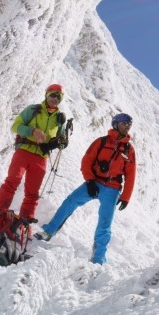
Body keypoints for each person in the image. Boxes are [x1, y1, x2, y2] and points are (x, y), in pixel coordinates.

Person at [37, 113, 136, 264]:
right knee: (70, 201)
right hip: (94, 182)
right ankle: (48, 231)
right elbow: (87, 161)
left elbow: (131, 174)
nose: (127, 126)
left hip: (112, 189)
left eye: (129, 124)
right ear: (116, 124)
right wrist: (89, 181)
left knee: (105, 223)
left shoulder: (129, 150)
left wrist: (126, 197)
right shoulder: (101, 142)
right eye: (124, 123)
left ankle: (98, 258)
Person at [0, 83, 68, 222]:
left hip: (41, 157)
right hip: (24, 151)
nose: (55, 98)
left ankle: (25, 221)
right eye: (53, 95)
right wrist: (32, 131)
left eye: (59, 96)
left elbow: (61, 139)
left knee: (33, 192)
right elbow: (15, 127)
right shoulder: (33, 109)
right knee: (12, 181)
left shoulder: (60, 118)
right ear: (47, 95)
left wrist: (63, 141)